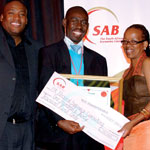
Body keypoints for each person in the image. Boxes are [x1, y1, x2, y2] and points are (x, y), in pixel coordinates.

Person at [36, 6, 107, 150]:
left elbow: (102, 98)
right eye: (74, 21)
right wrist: (60, 121)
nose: (79, 26)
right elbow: (44, 91)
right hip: (58, 134)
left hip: (89, 133)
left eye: (84, 22)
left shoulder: (99, 60)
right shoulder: (48, 53)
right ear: (64, 22)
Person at [0, 0, 42, 149]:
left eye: (21, 14)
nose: (17, 18)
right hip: (3, 129)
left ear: (27, 20)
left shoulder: (37, 49)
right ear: (2, 17)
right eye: (11, 13)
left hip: (28, 130)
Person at [119, 24, 150, 143]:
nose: (127, 45)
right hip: (130, 130)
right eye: (125, 41)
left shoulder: (147, 63)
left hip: (146, 129)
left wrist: (132, 123)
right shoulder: (126, 73)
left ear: (145, 44)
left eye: (133, 41)